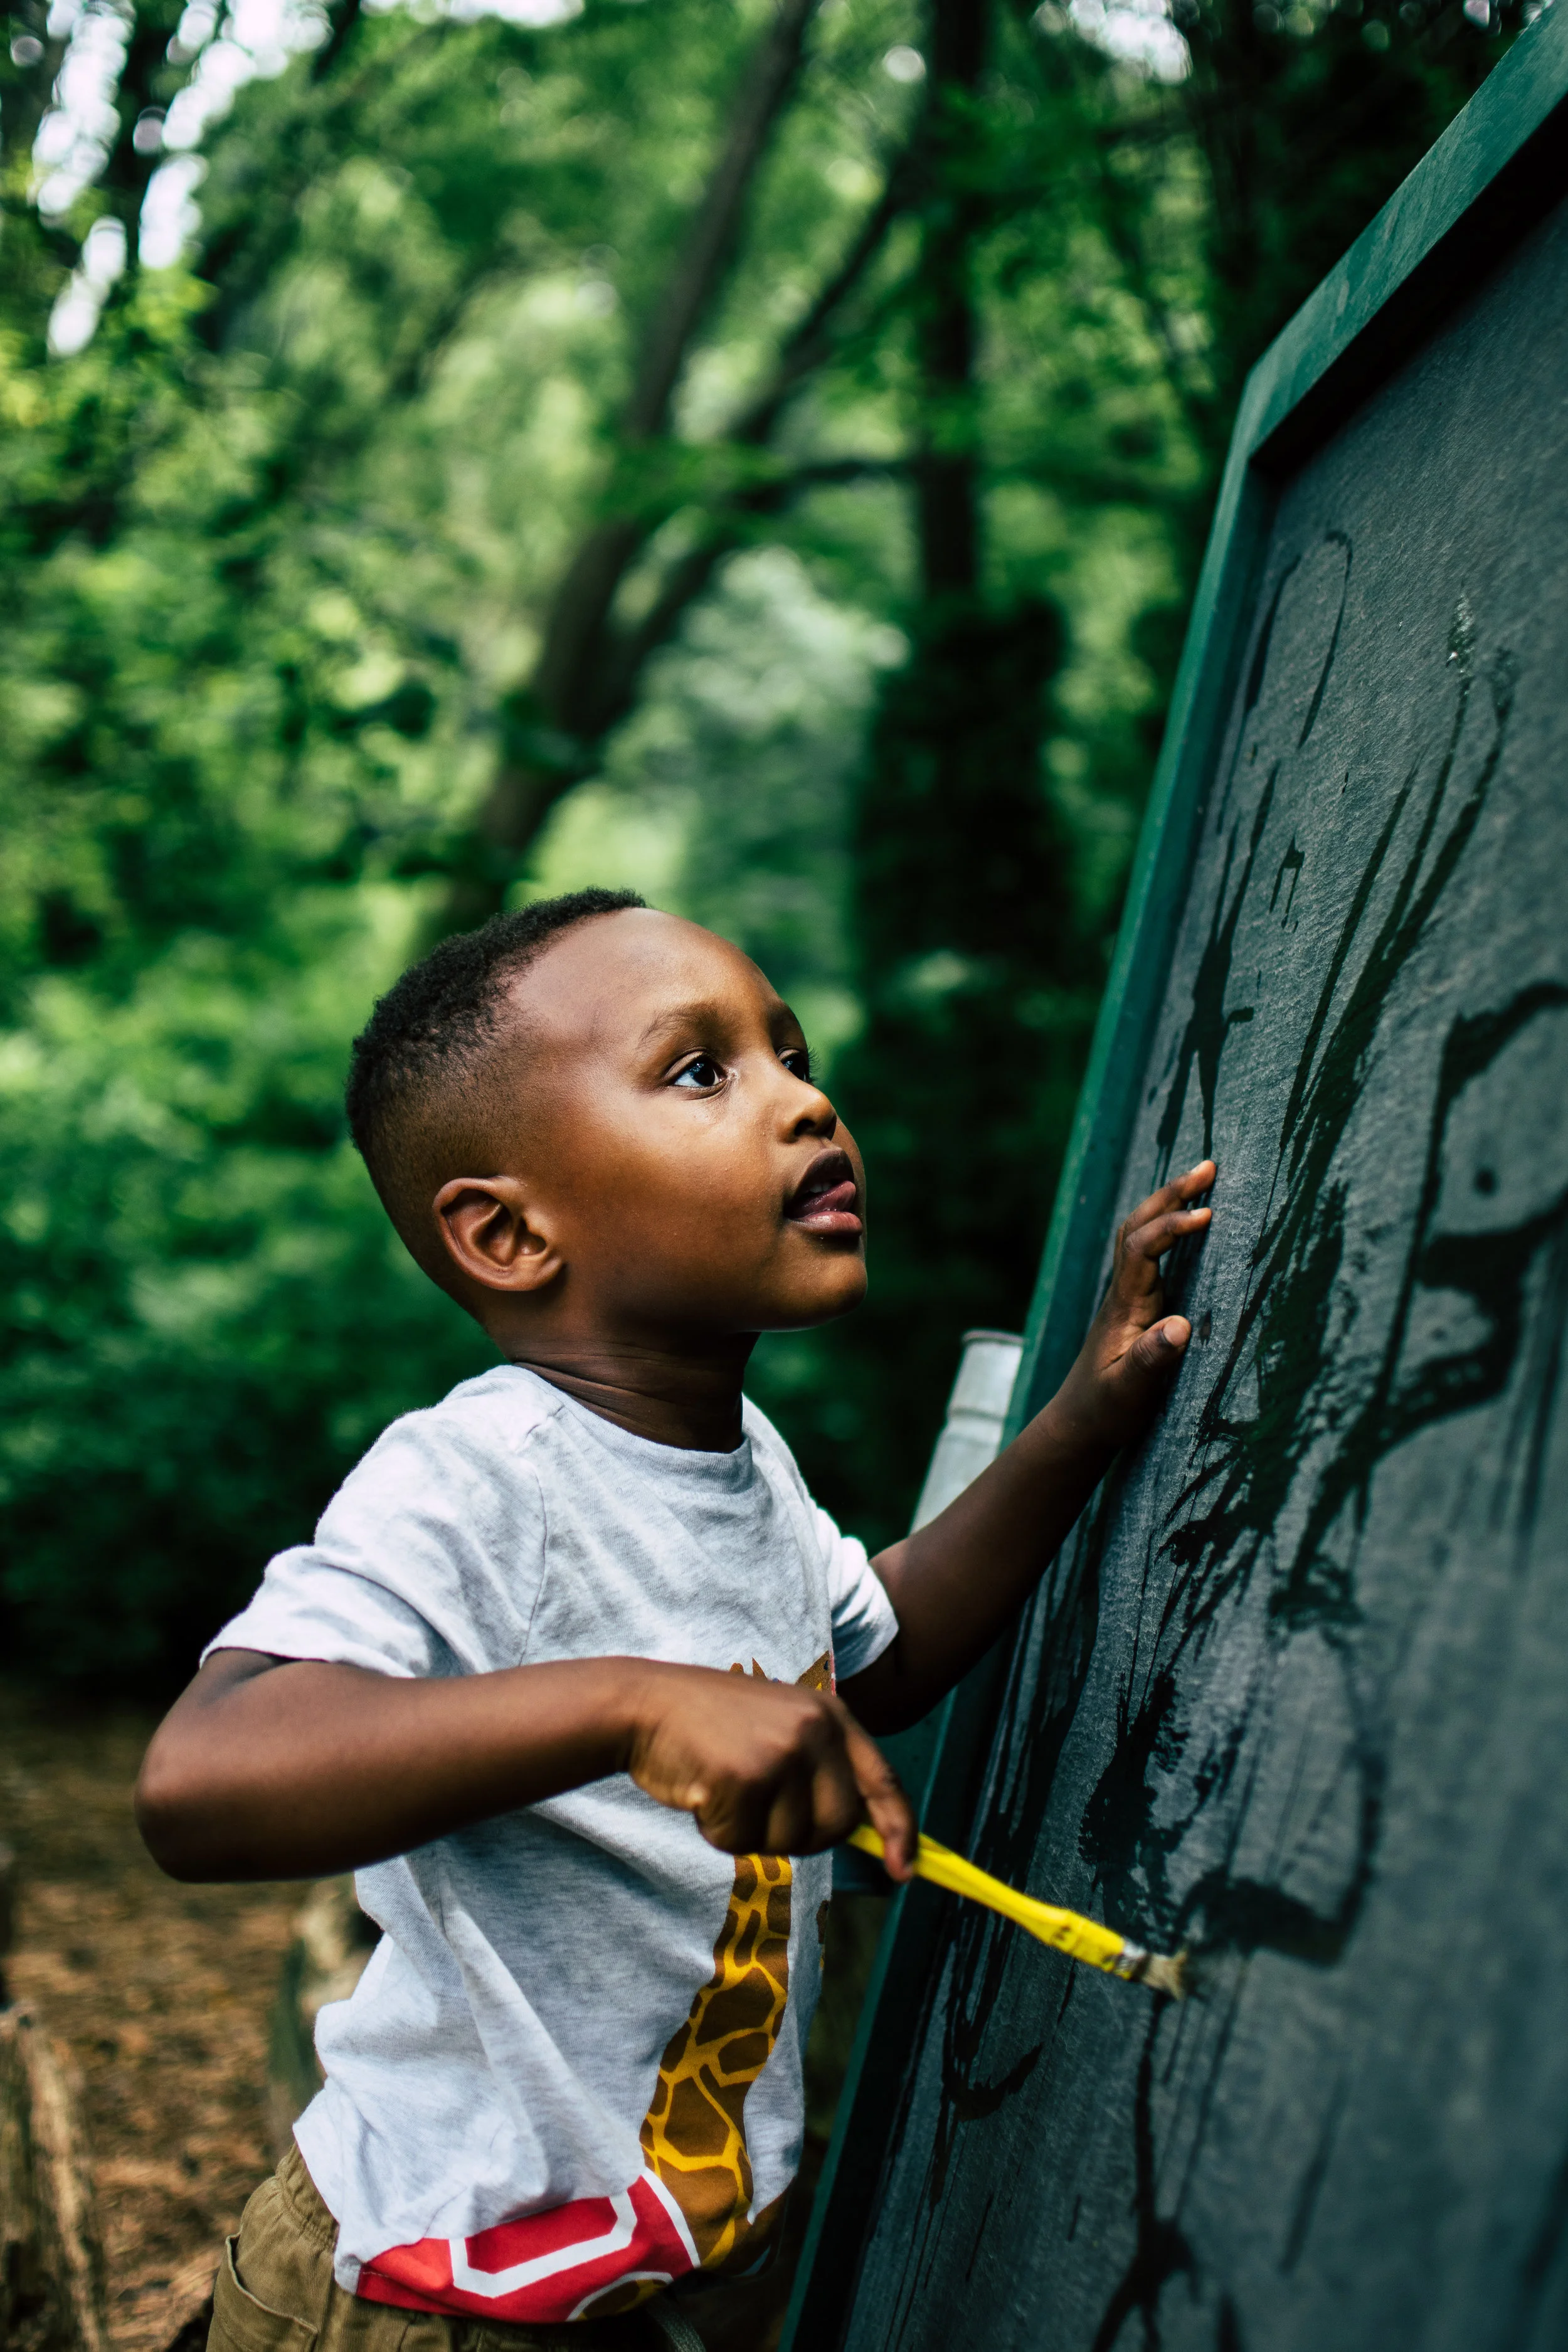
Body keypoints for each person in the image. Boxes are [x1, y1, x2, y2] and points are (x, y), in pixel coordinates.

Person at [135, 888, 1214, 2352]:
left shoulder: (737, 1459)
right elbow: (201, 1783)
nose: (806, 1102)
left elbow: (873, 1661)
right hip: (421, 2292)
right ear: (511, 1234)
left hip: (598, 2273)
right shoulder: (480, 1472)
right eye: (701, 1071)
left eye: (790, 1051)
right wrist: (634, 1702)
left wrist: (1084, 1420)